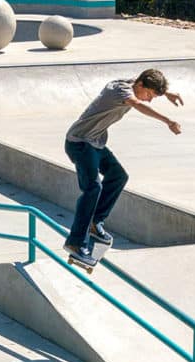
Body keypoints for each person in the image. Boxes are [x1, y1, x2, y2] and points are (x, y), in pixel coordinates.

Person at [63, 68, 184, 268]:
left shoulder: (133, 83)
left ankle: (95, 222)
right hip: (79, 143)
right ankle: (76, 243)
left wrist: (166, 93)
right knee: (93, 188)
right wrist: (168, 121)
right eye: (149, 95)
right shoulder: (121, 91)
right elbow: (137, 104)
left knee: (118, 176)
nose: (149, 100)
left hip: (95, 143)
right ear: (141, 86)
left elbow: (145, 81)